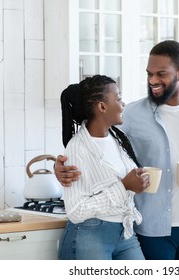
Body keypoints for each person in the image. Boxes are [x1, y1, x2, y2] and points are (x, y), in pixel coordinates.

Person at [55, 41, 179, 260]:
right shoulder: (130, 113)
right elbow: (92, 139)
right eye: (149, 74)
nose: (153, 81)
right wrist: (60, 165)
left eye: (161, 74)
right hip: (151, 229)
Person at [57, 74, 150, 260]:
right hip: (90, 234)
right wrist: (124, 187)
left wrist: (137, 181)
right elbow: (76, 211)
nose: (123, 104)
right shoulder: (78, 147)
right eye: (119, 98)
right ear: (102, 106)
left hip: (125, 233)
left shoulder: (118, 140)